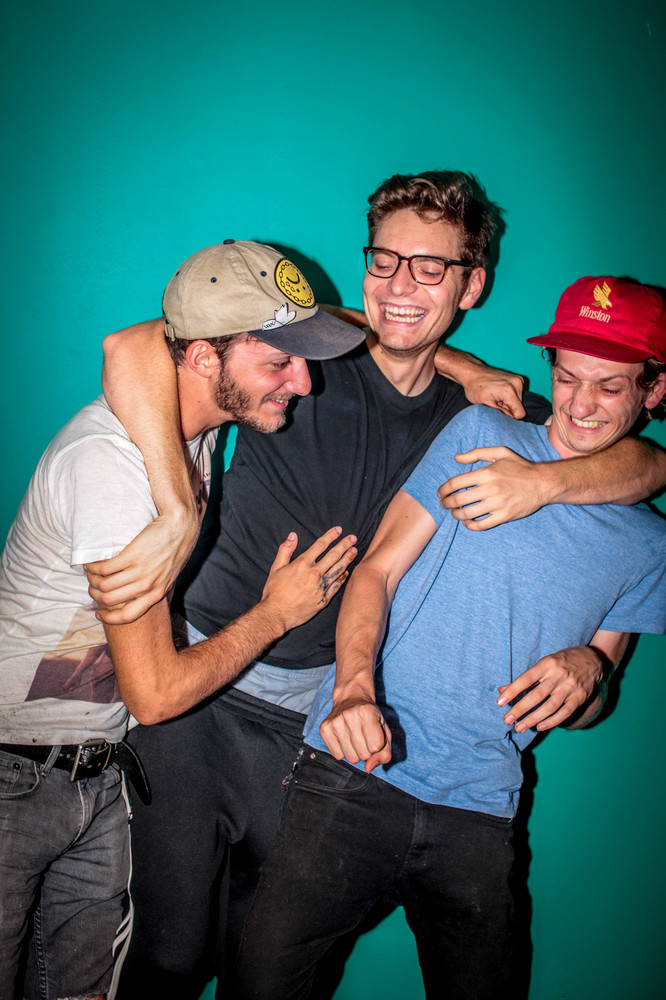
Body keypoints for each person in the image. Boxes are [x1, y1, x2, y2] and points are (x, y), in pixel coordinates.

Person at [93, 173, 666, 998]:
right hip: (204, 688)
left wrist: (541, 483)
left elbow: (644, 463)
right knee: (171, 956)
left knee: (240, 953)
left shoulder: (498, 418)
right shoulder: (305, 354)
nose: (401, 286)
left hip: (314, 718)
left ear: (473, 285)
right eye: (386, 260)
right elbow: (132, 347)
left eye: (431, 269)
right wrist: (178, 509)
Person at [233, 275, 666, 1000]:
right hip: (353, 772)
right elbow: (376, 571)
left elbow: (590, 700)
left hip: (479, 805)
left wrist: (589, 667)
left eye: (611, 387)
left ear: (653, 393)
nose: (581, 405)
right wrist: (353, 689)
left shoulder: (649, 545)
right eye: (567, 377)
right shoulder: (481, 435)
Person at [0, 240, 362, 1000]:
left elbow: (137, 341)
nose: (305, 380)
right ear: (202, 358)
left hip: (95, 778)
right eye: (279, 363)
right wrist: (276, 614)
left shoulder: (195, 420)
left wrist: (467, 368)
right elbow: (157, 696)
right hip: (14, 779)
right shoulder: (114, 473)